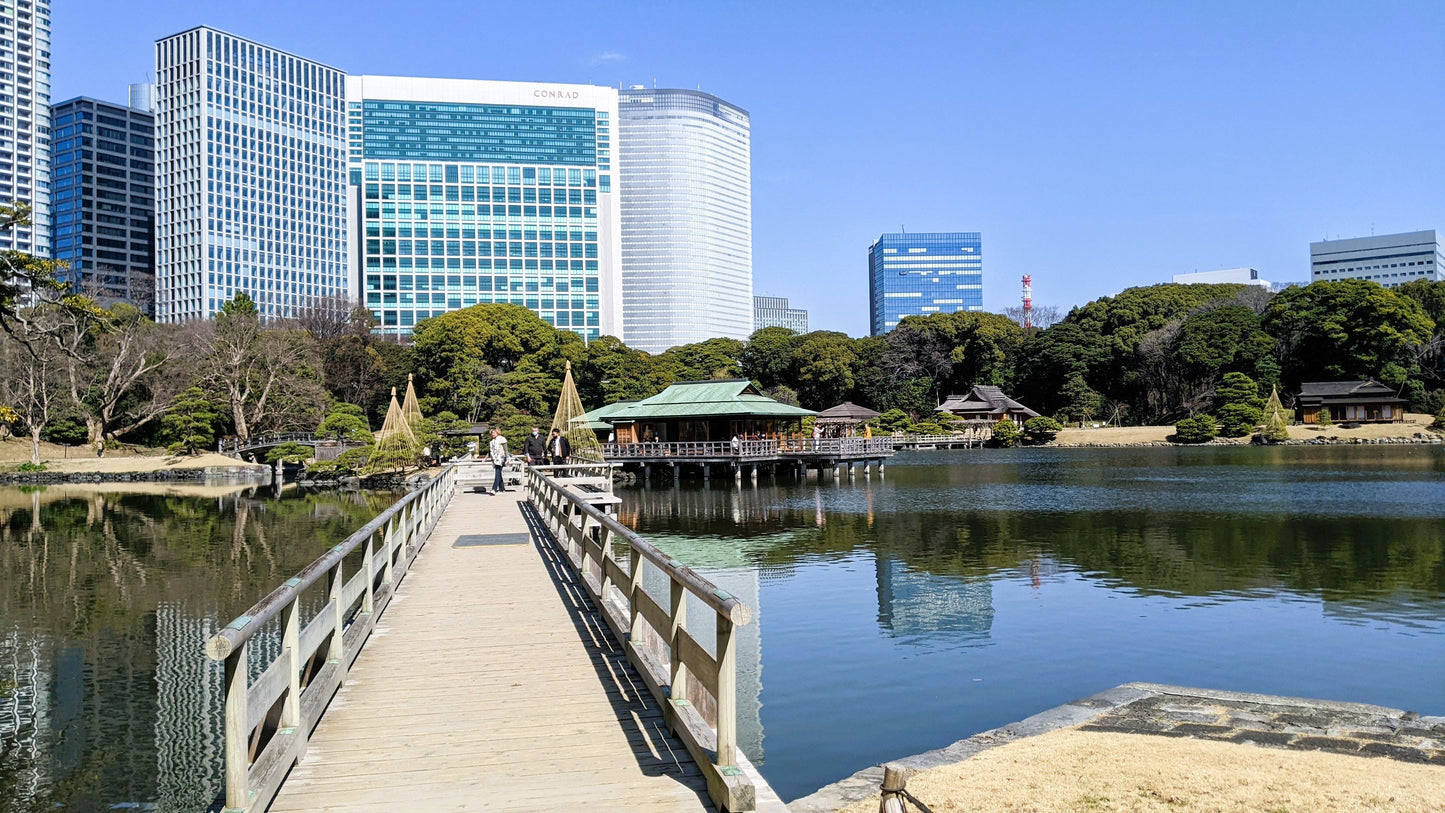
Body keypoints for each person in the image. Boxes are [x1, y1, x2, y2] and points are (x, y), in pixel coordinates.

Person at [489, 428, 510, 493]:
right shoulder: (492, 442)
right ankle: (502, 488)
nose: (492, 434)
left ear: (497, 433)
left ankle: (494, 488)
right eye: (492, 433)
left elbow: (505, 450)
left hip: (501, 457)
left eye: (494, 433)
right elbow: (490, 450)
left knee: (497, 472)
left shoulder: (502, 439)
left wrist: (508, 458)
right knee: (499, 473)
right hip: (495, 458)